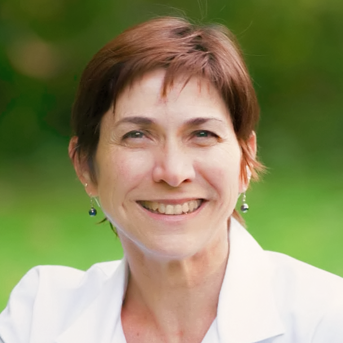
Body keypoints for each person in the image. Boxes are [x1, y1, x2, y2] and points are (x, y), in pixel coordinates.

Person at [1, 16, 343, 343]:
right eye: (136, 135)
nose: (174, 172)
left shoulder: (325, 319)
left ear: (245, 160)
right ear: (85, 167)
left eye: (203, 134)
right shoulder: (40, 316)